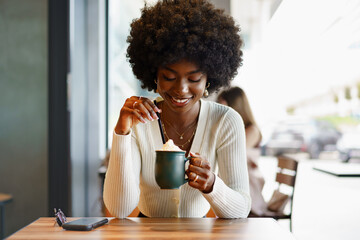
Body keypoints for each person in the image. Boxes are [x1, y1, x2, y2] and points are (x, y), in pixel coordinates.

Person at [103, 0, 250, 219]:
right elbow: (119, 210)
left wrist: (211, 185)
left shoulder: (225, 121)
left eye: (194, 78)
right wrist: (122, 132)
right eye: (169, 77)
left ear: (209, 78)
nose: (181, 89)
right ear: (154, 74)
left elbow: (241, 209)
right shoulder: (138, 121)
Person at [217, 86, 269, 216]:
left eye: (223, 105)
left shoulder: (252, 130)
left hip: (248, 185)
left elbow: (233, 153)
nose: (220, 110)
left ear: (235, 106)